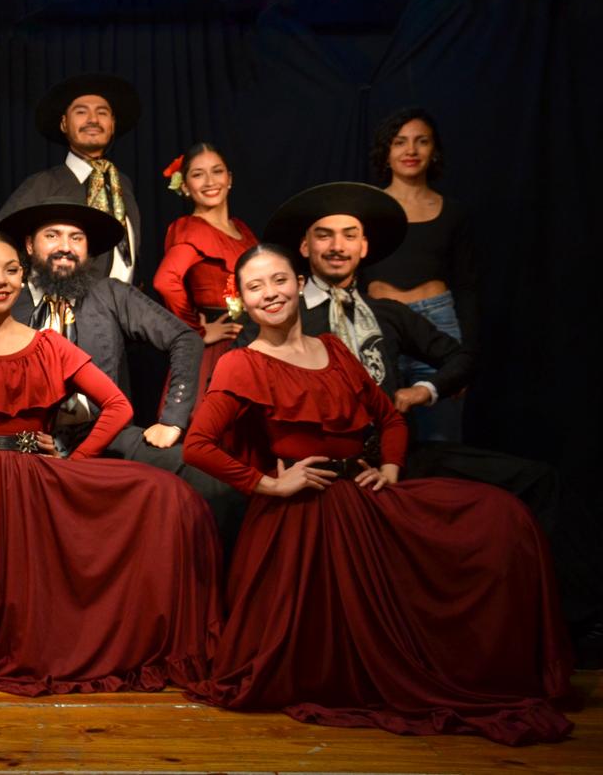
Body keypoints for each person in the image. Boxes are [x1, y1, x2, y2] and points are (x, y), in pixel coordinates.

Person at [182, 243, 574, 745]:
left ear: (299, 284)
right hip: (306, 521)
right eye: (255, 287)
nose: (270, 294)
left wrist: (389, 467)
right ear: (243, 299)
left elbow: (389, 417)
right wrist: (272, 484)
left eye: (279, 280)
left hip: (362, 500)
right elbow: (198, 445)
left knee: (501, 517)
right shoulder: (243, 363)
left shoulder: (335, 350)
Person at [249, 180, 603, 671]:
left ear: (364, 247)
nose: (337, 246)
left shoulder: (387, 315)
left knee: (539, 479)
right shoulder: (285, 314)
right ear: (305, 247)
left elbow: (461, 358)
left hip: (400, 456)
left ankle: (582, 624)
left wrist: (424, 390)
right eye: (324, 235)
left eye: (349, 235)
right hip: (330, 471)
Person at [0, 232, 222, 695]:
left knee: (167, 493)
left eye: (11, 270)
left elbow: (117, 406)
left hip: (38, 482)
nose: (0, 280)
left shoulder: (49, 345)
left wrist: (76, 462)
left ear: (22, 276)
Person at [0, 200, 242, 544]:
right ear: (29, 245)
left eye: (76, 238)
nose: (65, 246)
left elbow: (185, 338)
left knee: (213, 477)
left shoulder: (110, 293)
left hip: (101, 434)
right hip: (20, 444)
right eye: (52, 235)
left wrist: (172, 419)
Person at [362, 108, 477, 442]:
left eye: (421, 141)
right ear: (386, 153)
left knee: (441, 440)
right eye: (400, 142)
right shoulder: (365, 208)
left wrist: (466, 358)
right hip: (380, 324)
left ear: (434, 150)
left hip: (438, 323)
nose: (410, 150)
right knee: (381, 440)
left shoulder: (454, 212)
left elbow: (467, 286)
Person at [0, 74, 142, 283]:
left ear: (113, 124)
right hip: (62, 299)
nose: (93, 120)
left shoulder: (121, 185)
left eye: (102, 112)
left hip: (122, 300)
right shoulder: (42, 184)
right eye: (81, 112)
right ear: (63, 123)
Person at [153, 143, 257, 401]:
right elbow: (165, 281)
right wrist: (196, 332)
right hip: (221, 348)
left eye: (217, 171)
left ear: (229, 179)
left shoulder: (242, 230)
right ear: (185, 186)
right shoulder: (192, 229)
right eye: (198, 174)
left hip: (254, 339)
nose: (210, 181)